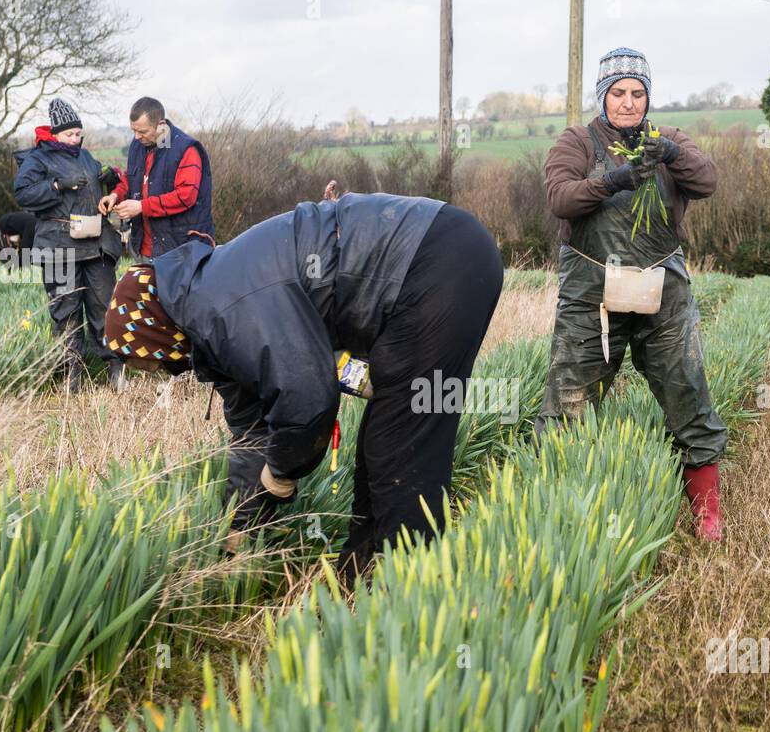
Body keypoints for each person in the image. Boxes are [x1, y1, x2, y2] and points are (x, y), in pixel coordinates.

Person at [104, 194, 502, 582]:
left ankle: (408, 588)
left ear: (152, 329)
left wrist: (282, 472)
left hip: (436, 259)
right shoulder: (208, 317)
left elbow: (309, 399)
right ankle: (361, 574)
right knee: (383, 443)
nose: (151, 371)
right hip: (436, 257)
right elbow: (252, 435)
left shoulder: (222, 310)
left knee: (402, 446)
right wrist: (239, 525)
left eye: (142, 358)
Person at [539, 46, 727, 541]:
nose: (628, 102)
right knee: (569, 397)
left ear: (648, 97)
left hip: (662, 287)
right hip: (591, 292)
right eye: (618, 93)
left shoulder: (668, 141)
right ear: (603, 97)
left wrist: (670, 153)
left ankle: (706, 512)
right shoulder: (576, 142)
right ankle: (559, 509)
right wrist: (613, 180)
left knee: (685, 386)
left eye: (637, 93)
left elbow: (707, 180)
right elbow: (560, 198)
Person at [14, 98, 126, 392]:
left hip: (96, 242)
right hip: (59, 246)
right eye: (69, 135)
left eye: (78, 134)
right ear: (55, 134)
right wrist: (56, 186)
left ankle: (116, 372)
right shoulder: (36, 160)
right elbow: (23, 194)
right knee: (66, 312)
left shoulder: (86, 156)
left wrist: (110, 178)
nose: (76, 139)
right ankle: (70, 377)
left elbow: (103, 182)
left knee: (105, 307)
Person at [98, 96, 214, 259]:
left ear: (160, 126)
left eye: (143, 131)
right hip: (145, 249)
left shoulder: (186, 150)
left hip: (182, 250)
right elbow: (130, 178)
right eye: (134, 130)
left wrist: (141, 207)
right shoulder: (138, 145)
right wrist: (115, 195)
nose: (137, 137)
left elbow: (186, 196)